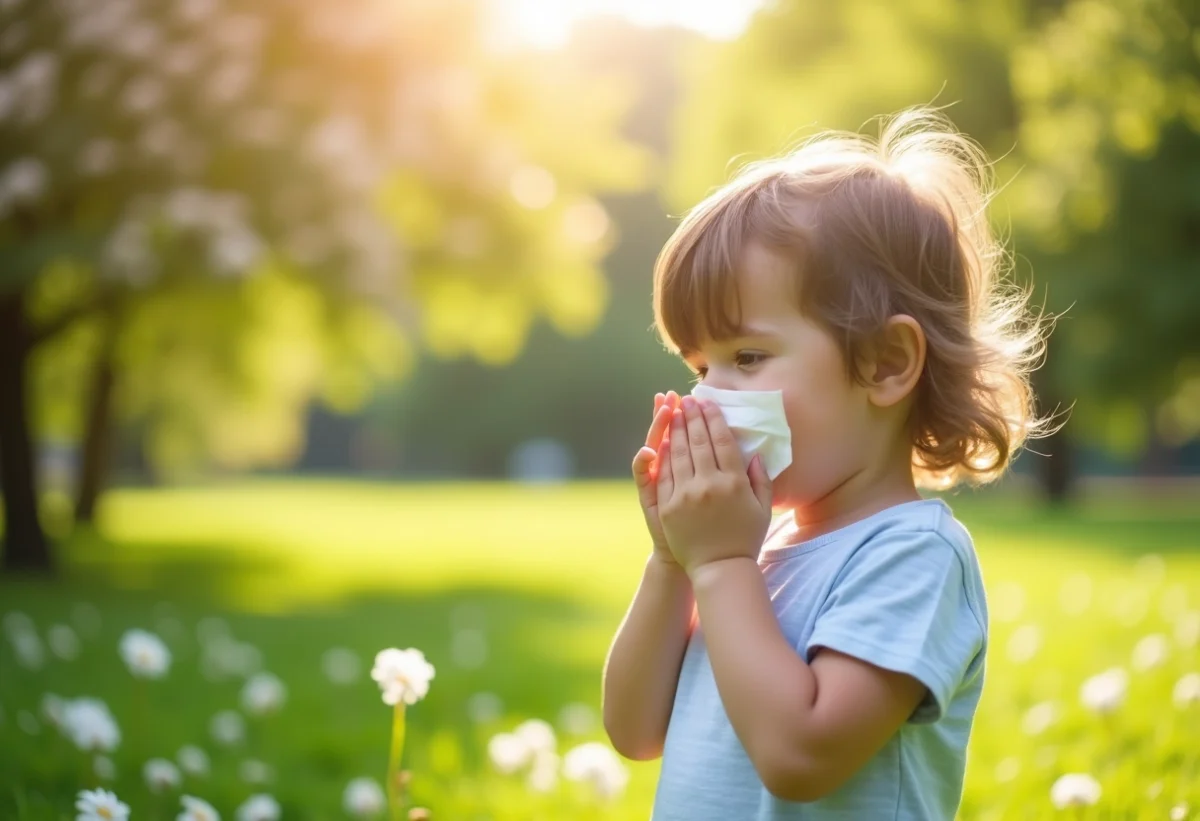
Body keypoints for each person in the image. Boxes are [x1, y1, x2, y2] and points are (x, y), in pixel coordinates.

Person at [601, 108, 1049, 820]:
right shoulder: (755, 552)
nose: (710, 397)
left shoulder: (912, 556)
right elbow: (634, 729)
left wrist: (718, 566)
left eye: (747, 357)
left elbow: (800, 756)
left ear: (884, 363)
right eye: (699, 367)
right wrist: (671, 562)